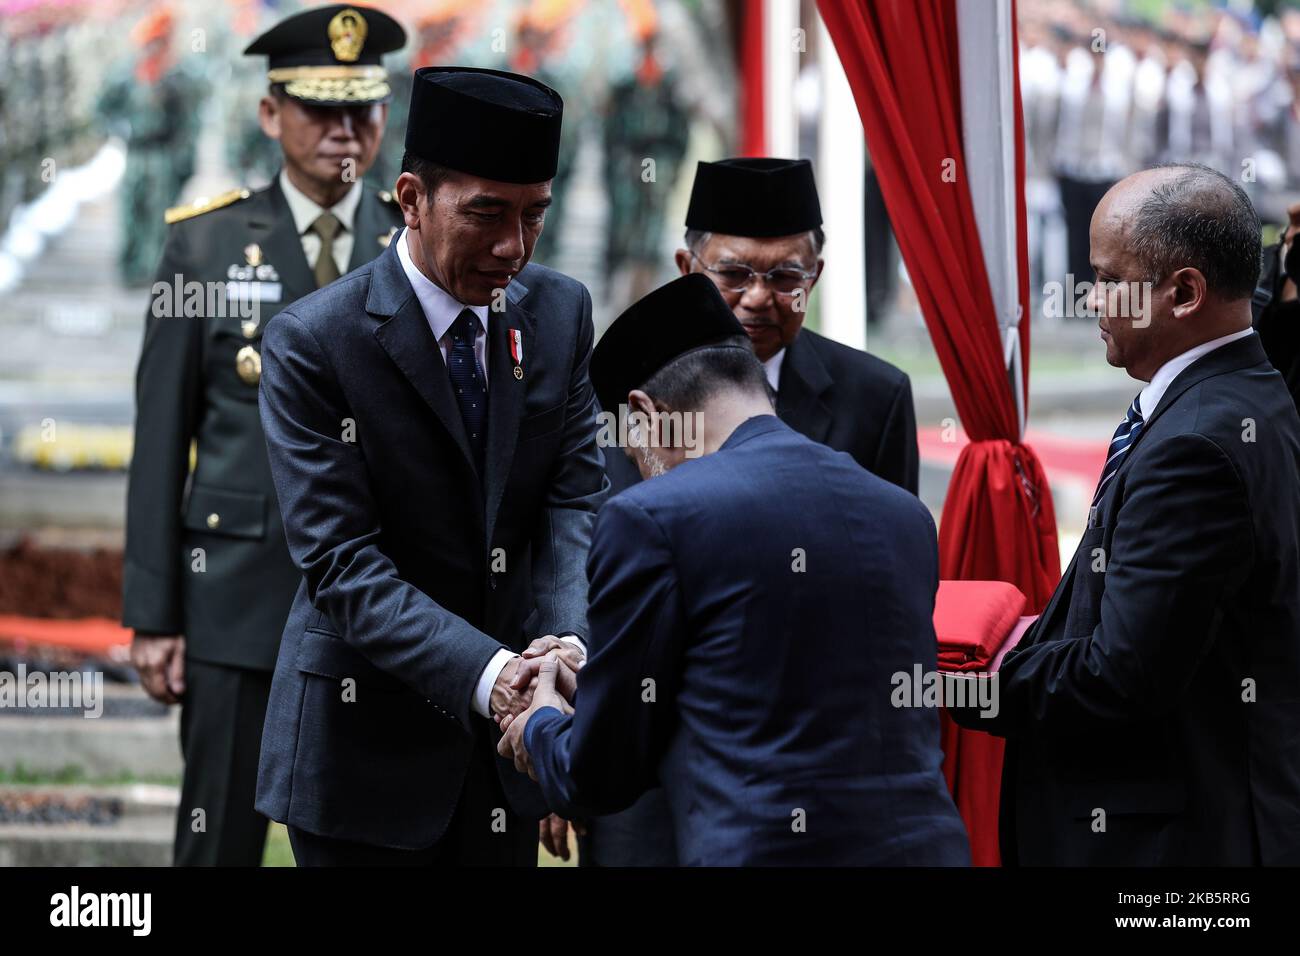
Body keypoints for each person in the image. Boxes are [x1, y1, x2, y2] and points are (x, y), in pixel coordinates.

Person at [254, 65, 608, 866]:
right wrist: (497, 675)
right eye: (486, 214)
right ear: (411, 199)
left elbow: (574, 502)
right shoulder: (318, 342)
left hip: (514, 749)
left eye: (534, 216)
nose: (511, 248)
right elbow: (342, 564)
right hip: (364, 758)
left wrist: (562, 643)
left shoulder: (559, 313)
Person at [497, 274, 970, 866]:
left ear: (647, 414)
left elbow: (601, 773)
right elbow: (756, 685)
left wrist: (543, 718)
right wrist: (595, 682)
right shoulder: (903, 514)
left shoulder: (652, 517)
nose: (640, 468)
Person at [121, 3, 406, 867]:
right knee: (218, 841)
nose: (343, 131)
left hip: (381, 601)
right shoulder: (205, 250)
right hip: (236, 598)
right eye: (320, 108)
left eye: (361, 109)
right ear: (271, 113)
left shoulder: (414, 246)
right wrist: (154, 613)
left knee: (373, 838)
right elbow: (162, 436)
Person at [952, 164, 1300, 865]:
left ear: (1183, 293)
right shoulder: (1247, 390)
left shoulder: (1197, 445)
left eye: (1110, 280)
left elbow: (1121, 678)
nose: (1092, 300)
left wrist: (967, 682)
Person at [585, 157, 919, 866]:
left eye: (786, 277)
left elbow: (885, 595)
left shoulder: (873, 397)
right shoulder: (624, 389)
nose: (759, 298)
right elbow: (580, 568)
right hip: (638, 773)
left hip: (804, 775)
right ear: (687, 265)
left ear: (817, 275)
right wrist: (574, 767)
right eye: (733, 274)